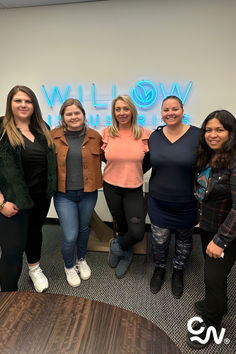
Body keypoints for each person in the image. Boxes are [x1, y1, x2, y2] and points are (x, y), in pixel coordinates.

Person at [186, 110, 236, 349]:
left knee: (213, 277)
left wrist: (221, 240)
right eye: (208, 130)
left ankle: (211, 325)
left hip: (227, 233)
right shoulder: (208, 157)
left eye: (219, 130)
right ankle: (219, 304)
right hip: (208, 225)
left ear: (230, 132)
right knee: (213, 274)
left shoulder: (234, 161)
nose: (212, 134)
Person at [0, 85, 56, 292]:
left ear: (34, 105)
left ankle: (35, 269)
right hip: (12, 200)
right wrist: (1, 202)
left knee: (34, 234)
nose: (23, 105)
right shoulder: (2, 130)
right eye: (18, 101)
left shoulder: (43, 129)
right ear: (10, 104)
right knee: (12, 251)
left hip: (40, 198)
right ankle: (7, 297)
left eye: (28, 101)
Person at [144, 95, 200, 298]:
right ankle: (160, 268)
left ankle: (178, 270)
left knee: (184, 239)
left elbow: (207, 166)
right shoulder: (155, 137)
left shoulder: (197, 135)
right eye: (166, 110)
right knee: (159, 240)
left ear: (182, 110)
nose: (170, 113)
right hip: (159, 199)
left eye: (174, 109)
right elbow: (144, 162)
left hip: (187, 200)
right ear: (161, 113)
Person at [51, 98, 102, 287]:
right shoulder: (53, 136)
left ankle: (81, 259)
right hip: (64, 195)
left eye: (77, 113)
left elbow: (110, 157)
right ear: (63, 117)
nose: (73, 117)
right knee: (70, 235)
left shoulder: (95, 136)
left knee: (83, 229)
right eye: (69, 113)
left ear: (83, 115)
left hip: (88, 193)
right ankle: (69, 266)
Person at [102, 95, 151, 279]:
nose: (122, 113)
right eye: (118, 109)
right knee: (121, 224)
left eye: (125, 108)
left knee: (137, 232)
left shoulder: (144, 134)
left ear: (132, 111)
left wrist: (133, 171)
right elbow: (103, 157)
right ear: (114, 112)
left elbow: (149, 161)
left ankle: (117, 246)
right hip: (110, 187)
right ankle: (126, 254)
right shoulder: (107, 133)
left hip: (133, 188)